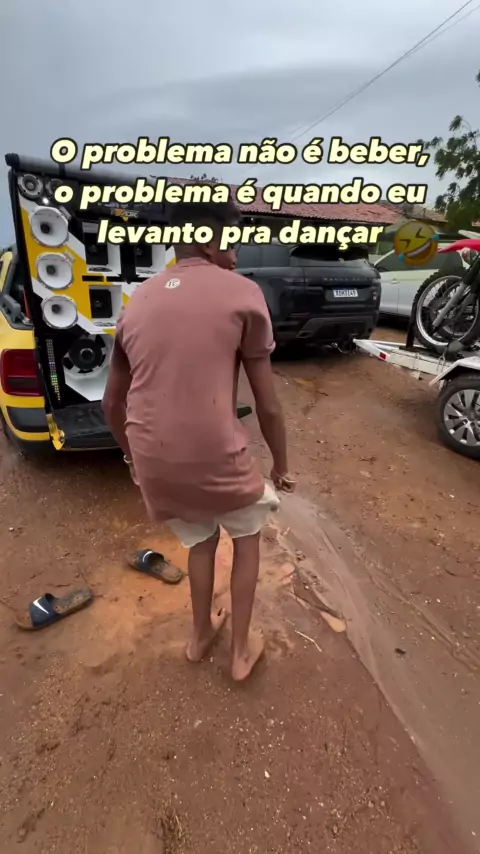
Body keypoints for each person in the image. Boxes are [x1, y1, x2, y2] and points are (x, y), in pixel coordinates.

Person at [102, 198, 295, 681]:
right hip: (214, 452)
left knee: (201, 540)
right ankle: (240, 653)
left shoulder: (138, 301)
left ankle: (199, 636)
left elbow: (111, 404)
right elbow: (268, 405)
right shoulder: (243, 293)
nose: (237, 252)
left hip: (154, 457)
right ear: (209, 240)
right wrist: (281, 465)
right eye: (233, 240)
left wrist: (132, 460)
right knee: (247, 536)